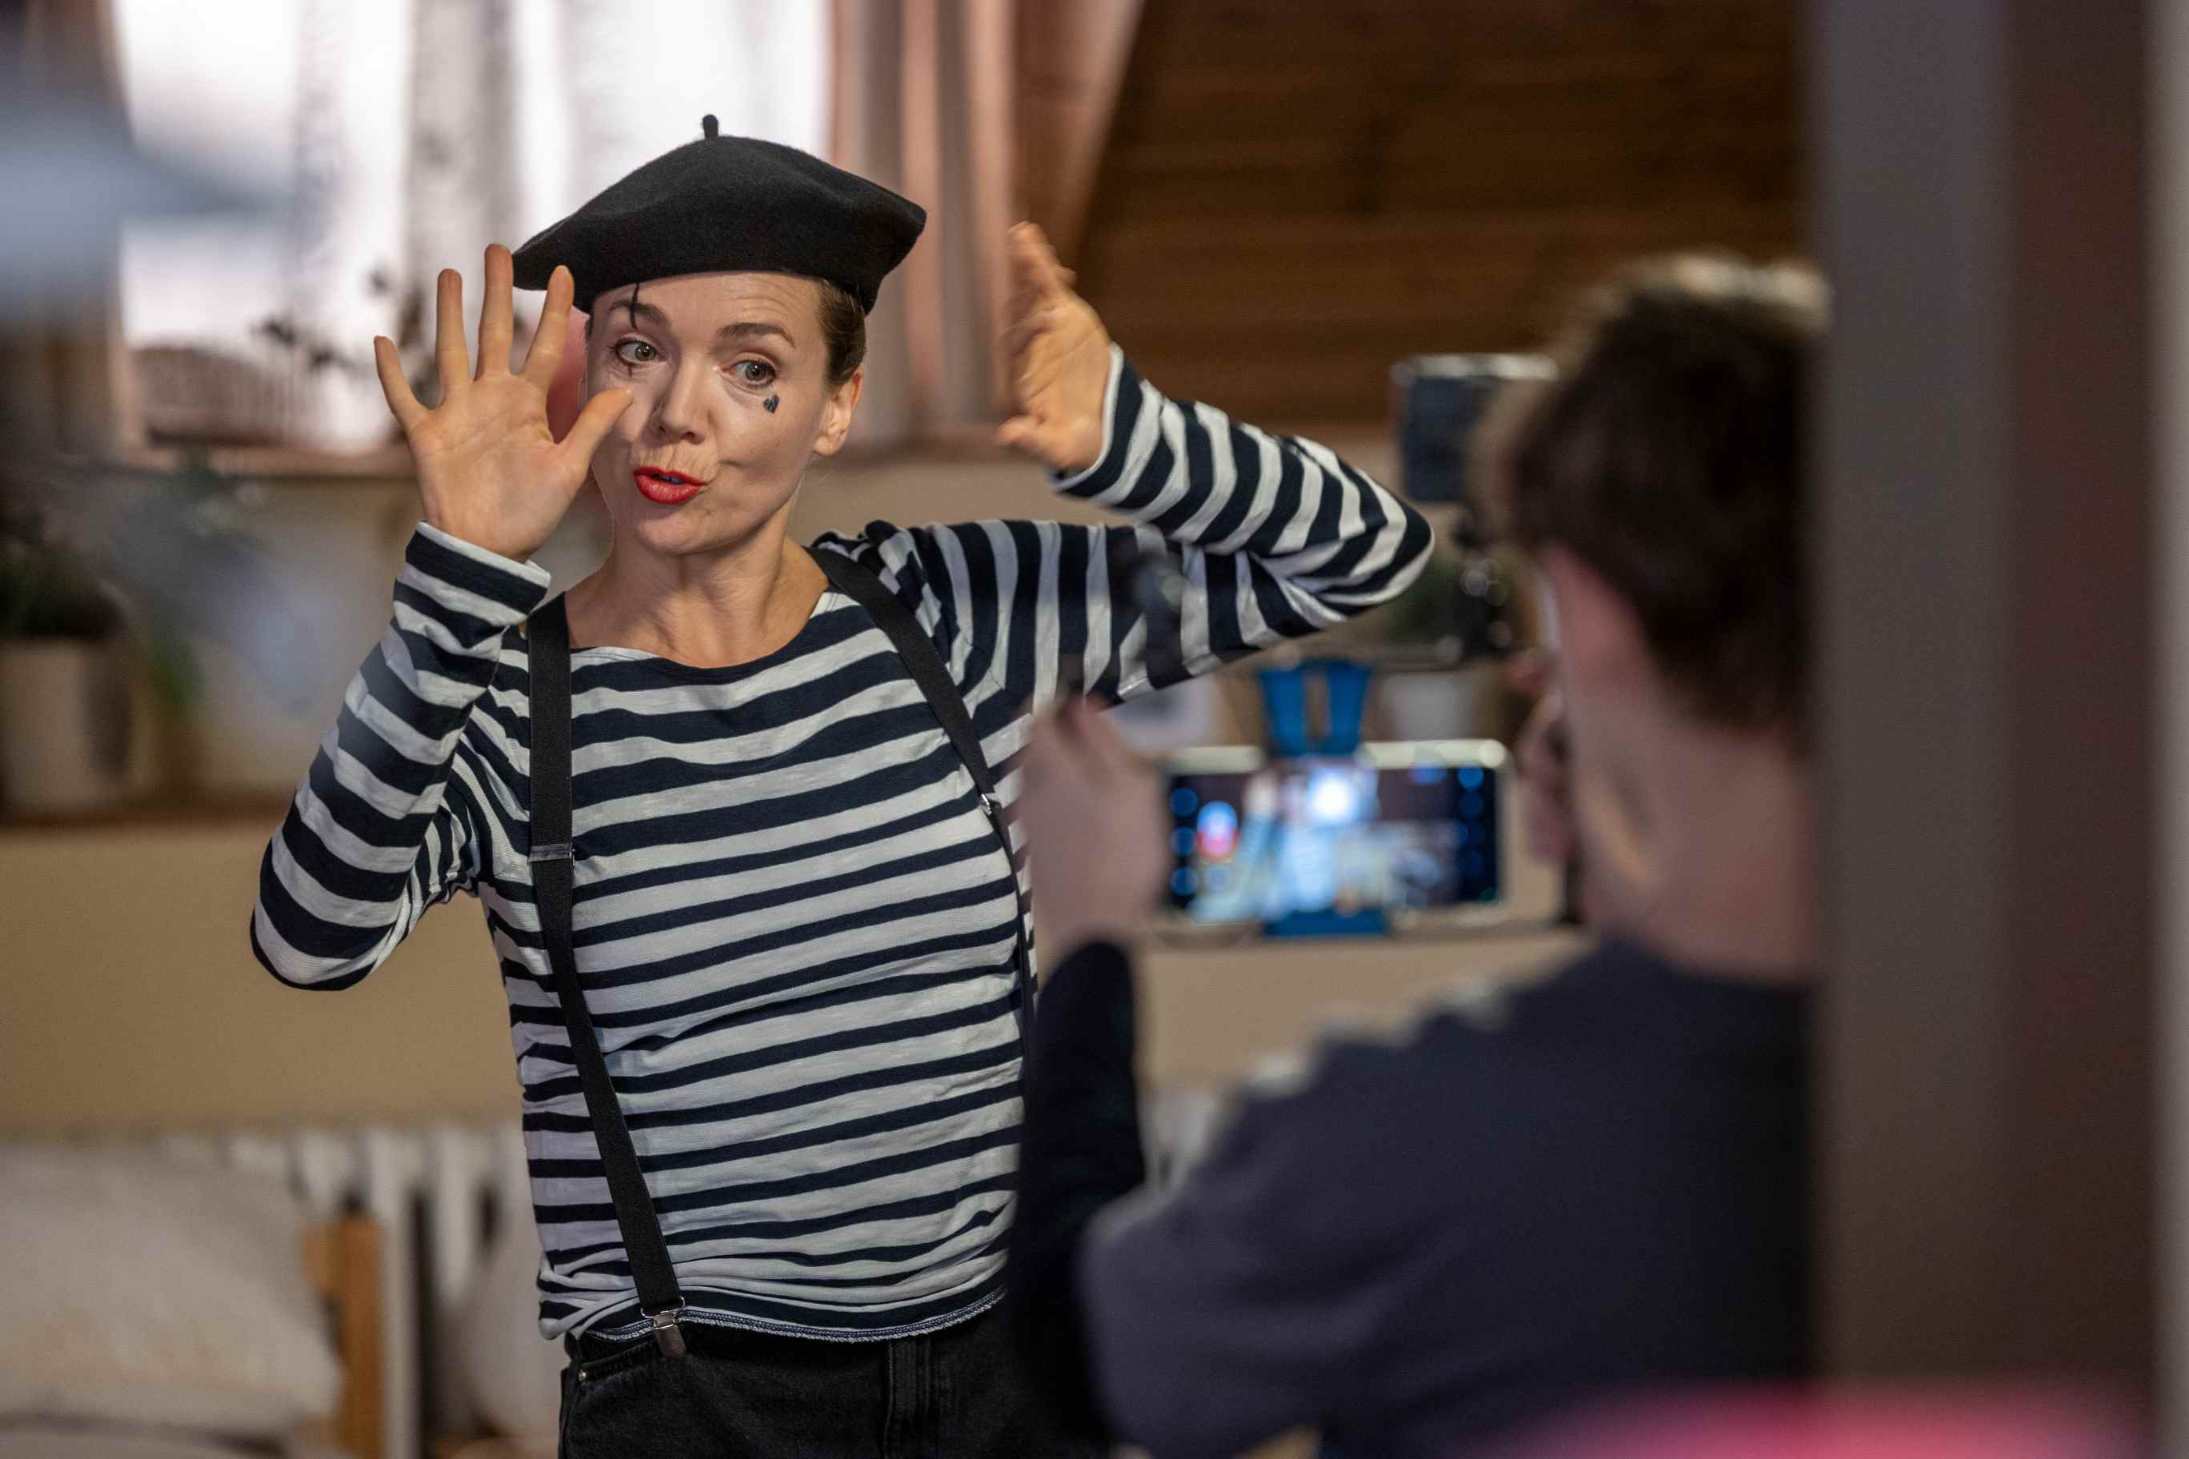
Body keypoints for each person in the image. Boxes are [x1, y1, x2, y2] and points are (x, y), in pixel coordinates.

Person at [247, 119, 1432, 1455]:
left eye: (751, 366)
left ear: (836, 406)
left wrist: (1134, 436)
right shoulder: (509, 697)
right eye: (637, 350)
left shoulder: (954, 608)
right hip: (699, 1403)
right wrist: (457, 577)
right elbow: (309, 935)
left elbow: (1366, 555)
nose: (677, 413)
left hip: (1012, 1370)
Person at [1009, 253, 1823, 1458]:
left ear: (1589, 607)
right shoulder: (2055, 1084)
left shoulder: (1399, 1135)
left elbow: (1080, 1359)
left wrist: (1087, 945)